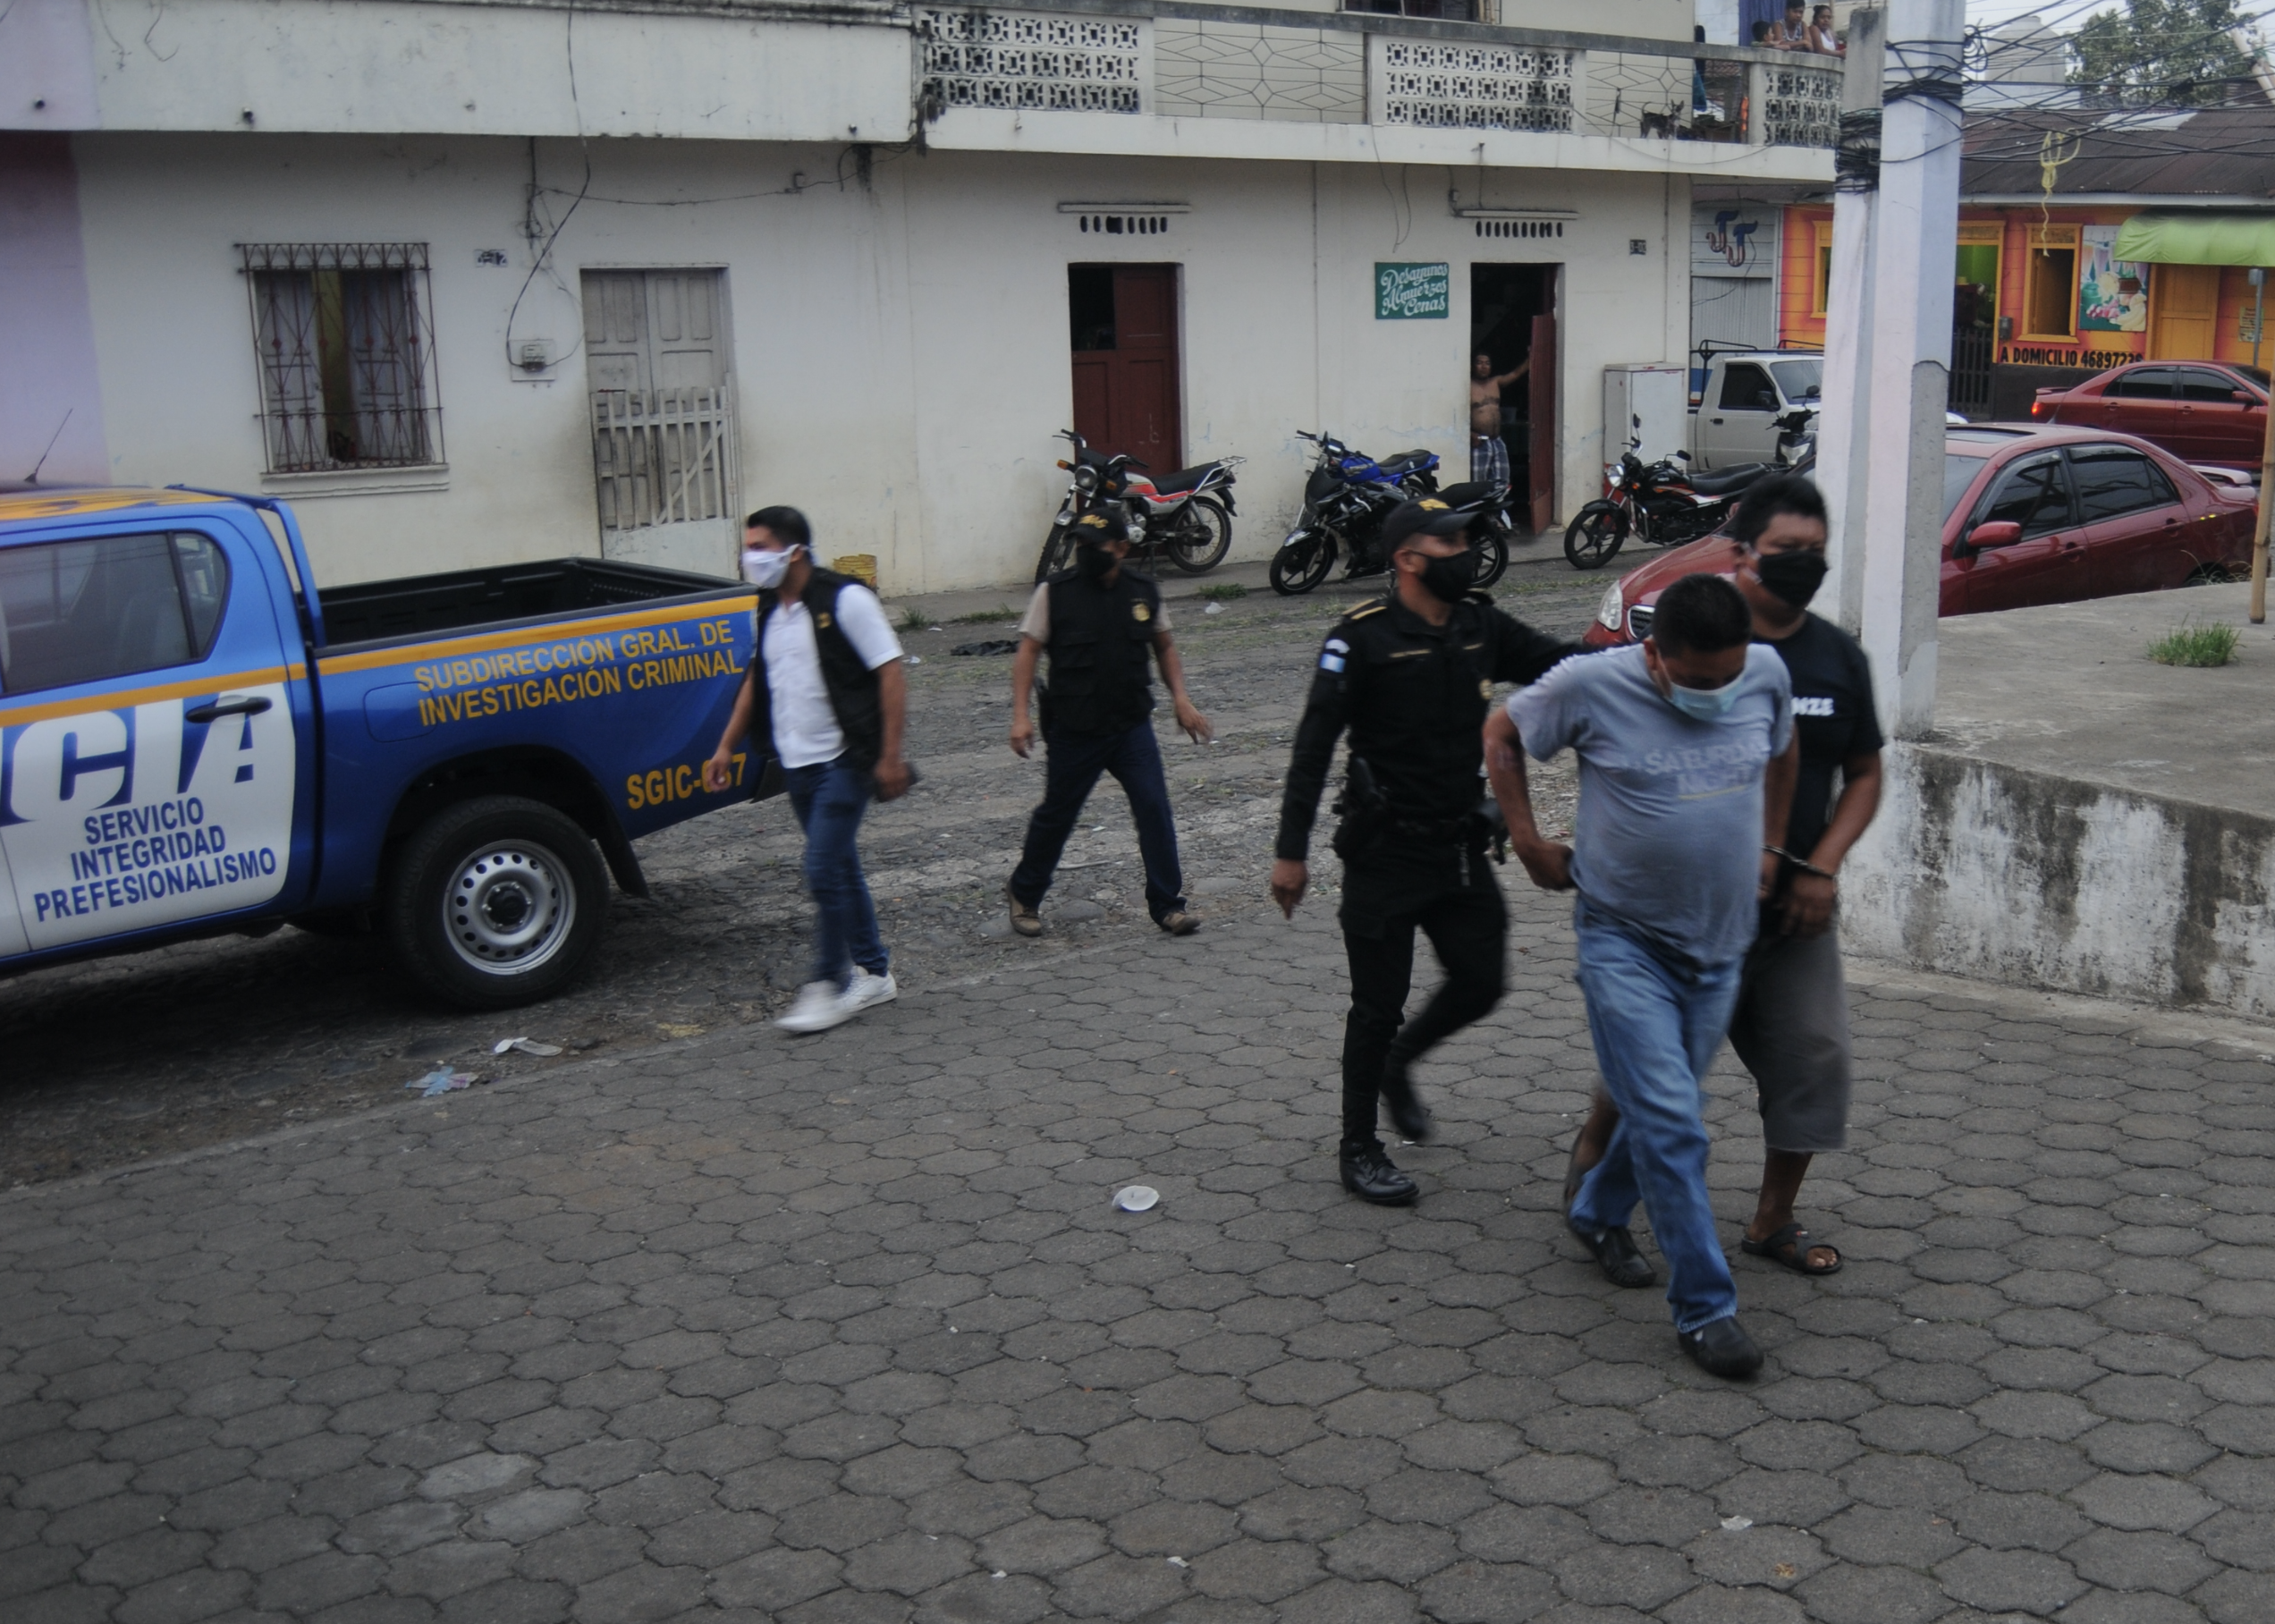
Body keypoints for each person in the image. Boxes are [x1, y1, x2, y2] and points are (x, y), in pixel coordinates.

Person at [1564, 477, 1882, 1280]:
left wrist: (1817, 866)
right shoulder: (1697, 639)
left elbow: (1865, 772)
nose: (1804, 565)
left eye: (1816, 552)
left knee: (1814, 1057)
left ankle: (1770, 1221)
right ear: (1743, 551)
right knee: (1647, 1079)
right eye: (1787, 552)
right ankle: (1593, 1194)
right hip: (1680, 912)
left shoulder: (1837, 657)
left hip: (1789, 910)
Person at [1486, 573, 1797, 1379]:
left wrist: (1770, 845)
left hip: (1722, 943)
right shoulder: (1592, 683)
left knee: (1657, 1115)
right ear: (1654, 655)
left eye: (1727, 677)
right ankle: (1706, 1310)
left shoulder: (1763, 672)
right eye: (1699, 681)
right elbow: (1502, 732)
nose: (1718, 692)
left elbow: (1784, 750)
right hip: (1624, 938)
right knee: (1673, 1120)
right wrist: (1525, 840)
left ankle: (1594, 1210)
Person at [1273, 498, 1577, 1206]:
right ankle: (1359, 1147)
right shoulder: (1362, 639)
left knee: (1482, 980)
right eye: (1451, 544)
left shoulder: (1478, 623)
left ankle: (1401, 1063)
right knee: (1376, 1005)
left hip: (1459, 847)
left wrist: (1646, 654)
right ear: (1408, 559)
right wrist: (1291, 853)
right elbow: (1313, 748)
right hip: (1384, 851)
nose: (1467, 553)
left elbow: (1558, 663)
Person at [705, 506, 911, 1034]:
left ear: (793, 551)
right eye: (747, 547)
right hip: (796, 761)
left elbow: (890, 672)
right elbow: (758, 677)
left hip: (848, 758)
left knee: (821, 869)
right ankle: (875, 972)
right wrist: (726, 746)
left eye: (759, 547)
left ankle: (827, 983)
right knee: (839, 866)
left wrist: (889, 755)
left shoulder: (846, 599)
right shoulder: (768, 607)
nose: (750, 557)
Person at [1006, 509, 1213, 937]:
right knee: (1058, 815)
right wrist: (1020, 717)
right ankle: (1024, 893)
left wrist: (1181, 698)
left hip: (1130, 726)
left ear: (1121, 548)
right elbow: (1028, 652)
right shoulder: (1055, 592)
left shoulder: (1143, 591)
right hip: (1075, 728)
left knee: (1154, 807)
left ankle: (1168, 905)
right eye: (1080, 544)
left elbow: (1165, 647)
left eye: (1094, 545)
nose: (1084, 552)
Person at [1470, 352, 1529, 486]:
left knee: (1502, 481)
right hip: (1479, 442)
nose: (1484, 366)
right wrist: (1470, 434)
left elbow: (1516, 374)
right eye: (1479, 363)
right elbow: (1458, 416)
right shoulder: (1467, 387)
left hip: (1497, 441)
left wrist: (1531, 358)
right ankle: (1479, 508)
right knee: (1478, 483)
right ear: (1472, 366)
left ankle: (1497, 508)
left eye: (1487, 363)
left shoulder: (1495, 382)